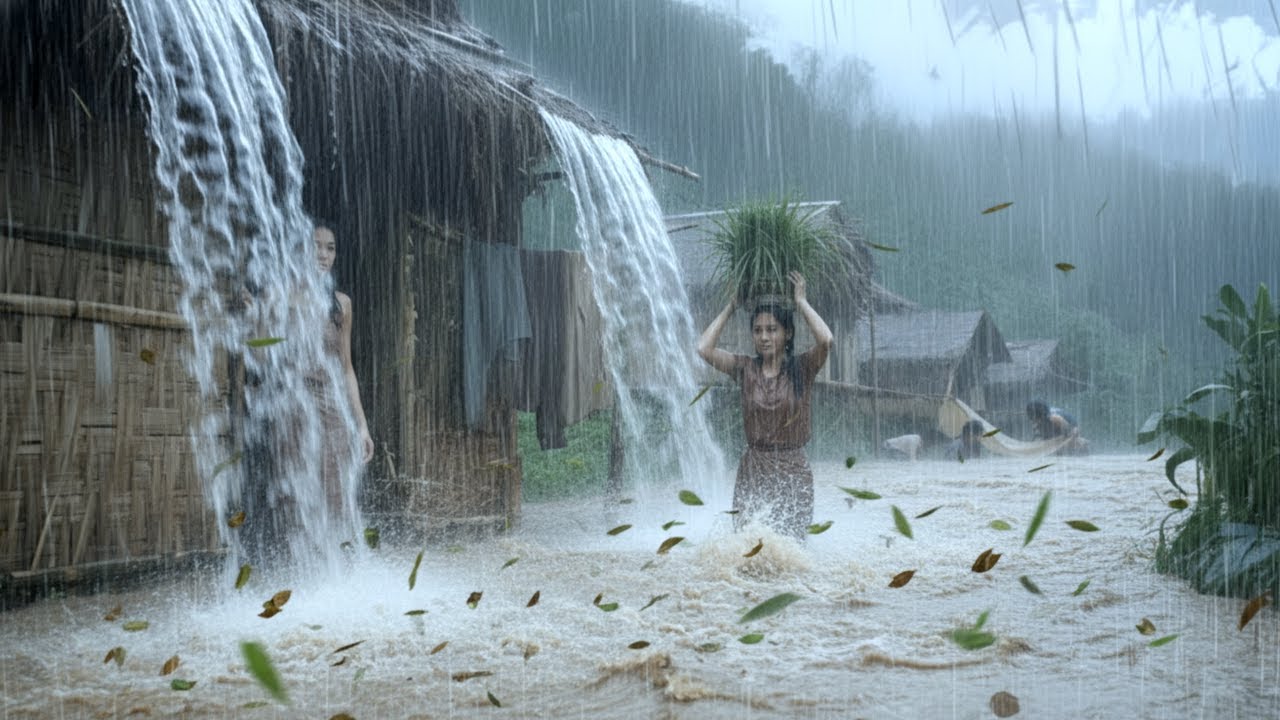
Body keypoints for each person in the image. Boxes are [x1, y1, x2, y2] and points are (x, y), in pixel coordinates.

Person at [696, 272, 833, 539]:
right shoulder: (745, 368)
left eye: (772, 329)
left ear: (788, 333)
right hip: (754, 468)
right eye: (757, 331)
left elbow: (826, 340)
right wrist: (731, 307)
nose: (764, 337)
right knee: (749, 546)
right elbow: (704, 348)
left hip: (793, 469)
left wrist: (801, 301)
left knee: (790, 547)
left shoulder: (803, 368)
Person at [312, 223, 375, 514]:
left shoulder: (342, 305)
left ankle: (336, 556)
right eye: (316, 245)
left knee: (336, 485)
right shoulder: (285, 296)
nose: (323, 255)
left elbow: (347, 368)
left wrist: (362, 426)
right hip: (294, 403)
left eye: (330, 248)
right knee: (296, 489)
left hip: (331, 402)